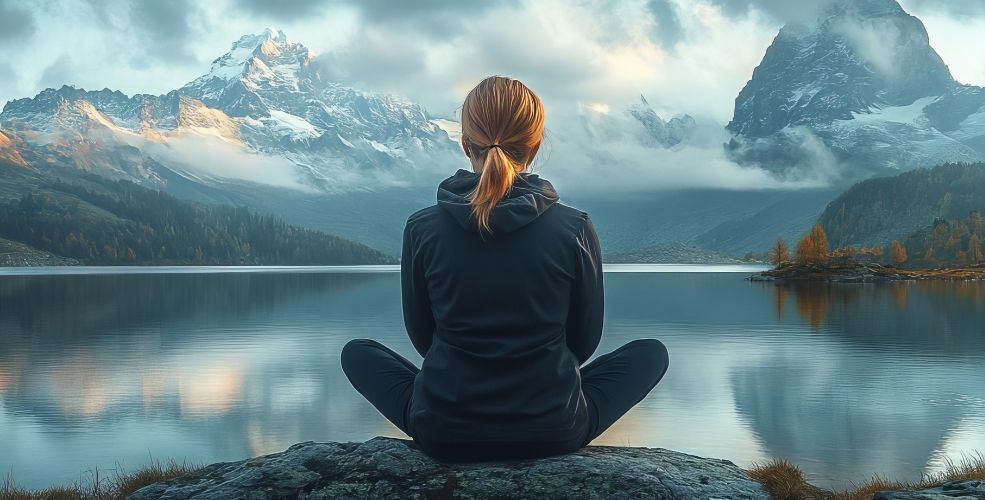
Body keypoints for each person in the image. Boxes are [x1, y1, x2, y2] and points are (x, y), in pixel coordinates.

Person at [341, 75, 669, 462]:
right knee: (651, 353)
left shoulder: (421, 227)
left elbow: (423, 338)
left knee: (357, 353)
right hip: (553, 429)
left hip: (445, 430)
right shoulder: (574, 226)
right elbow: (583, 340)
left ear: (465, 144)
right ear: (535, 146)